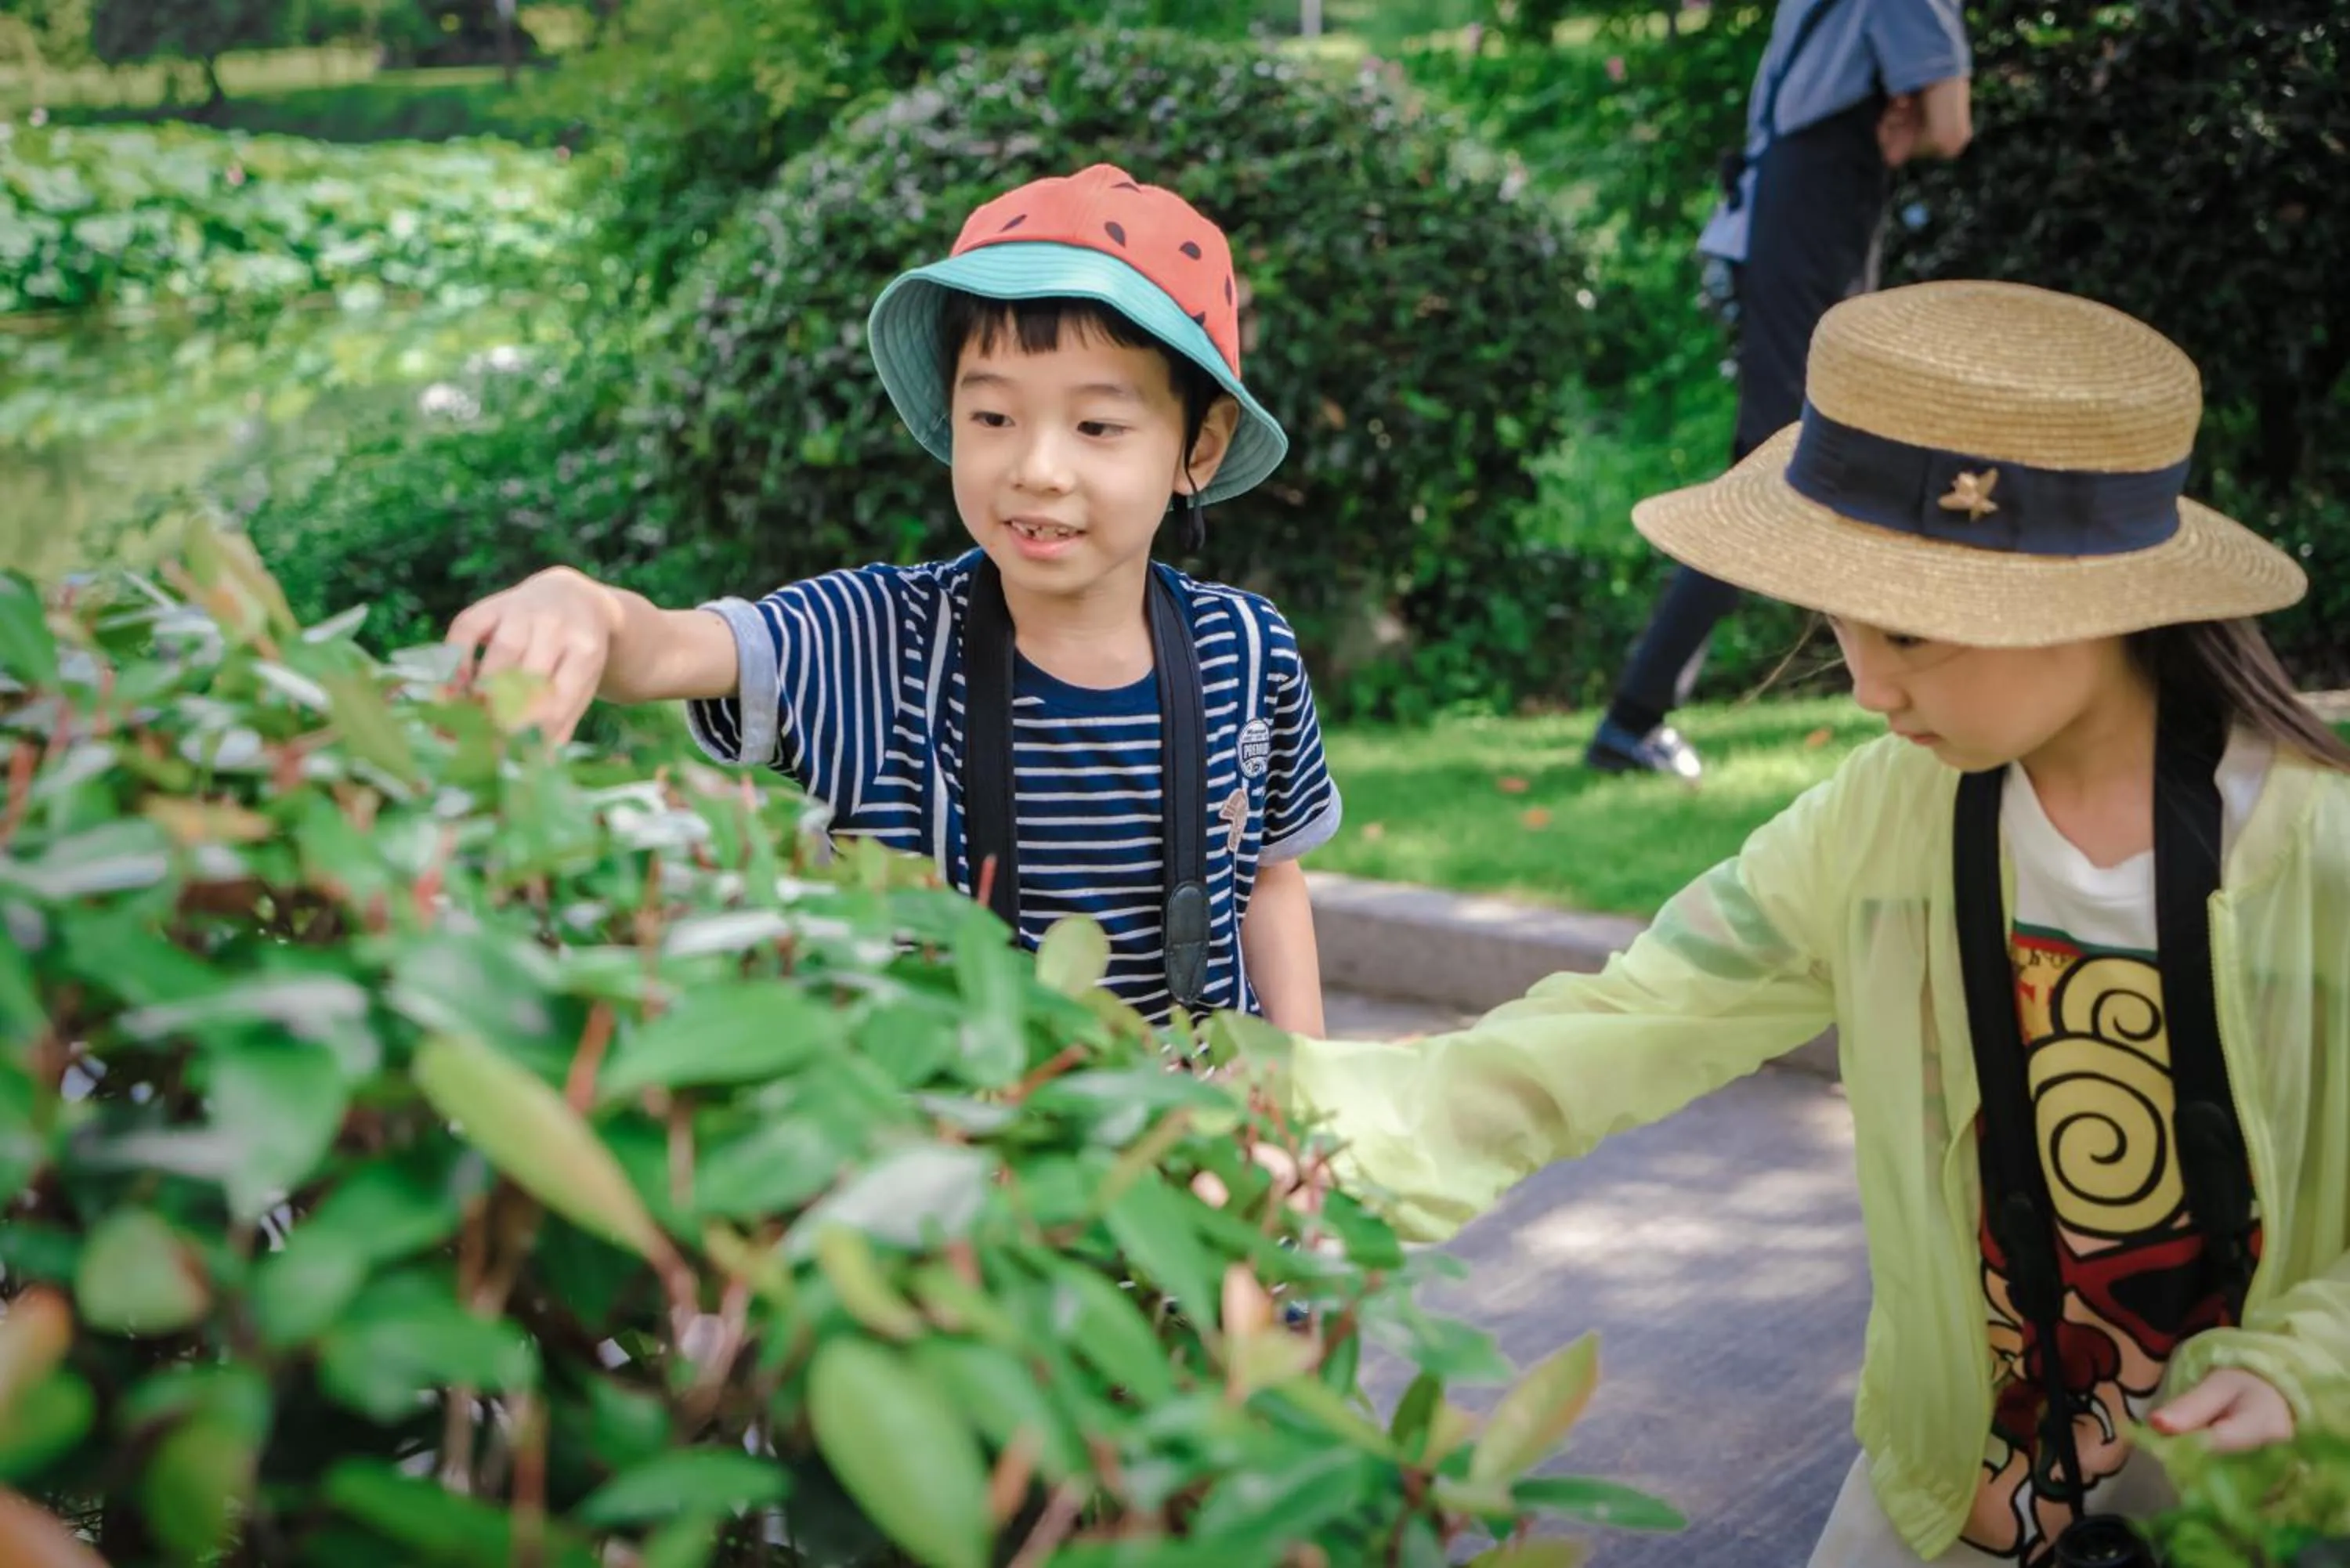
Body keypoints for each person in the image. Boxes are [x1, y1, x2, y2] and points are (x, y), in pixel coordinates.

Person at [1251, 282, 2350, 1565]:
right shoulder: (1882, 823)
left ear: (2097, 599)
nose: (1869, 684)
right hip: (1954, 1482)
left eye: (1912, 631)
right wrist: (1311, 1137)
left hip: (2270, 1494)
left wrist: (2311, 1373)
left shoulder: (2320, 855)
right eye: (1836, 618)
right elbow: (1637, 1012)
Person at [443, 164, 1342, 1033]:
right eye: (993, 417)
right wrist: (585, 607)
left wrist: (1300, 1101)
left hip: (1204, 1152)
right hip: (946, 1155)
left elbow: (1266, 878)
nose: (1037, 469)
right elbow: (675, 651)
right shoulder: (873, 642)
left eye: (1098, 425)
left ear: (1201, 446)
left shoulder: (1249, 650)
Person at [1587, 0, 1975, 781]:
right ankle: (1634, 719)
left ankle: (1919, 682)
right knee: (1784, 475)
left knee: (1809, 468)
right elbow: (1951, 121)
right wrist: (1912, 118)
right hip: (1808, 223)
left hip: (1789, 215)